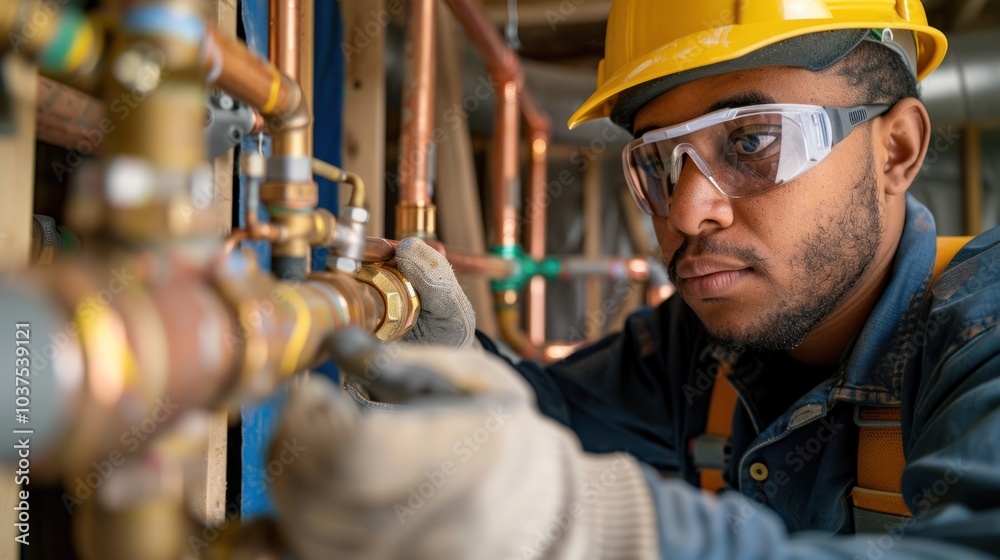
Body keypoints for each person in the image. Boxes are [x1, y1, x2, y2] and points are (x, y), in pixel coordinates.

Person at [269, 1, 1000, 558]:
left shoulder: (983, 329)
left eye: (752, 140)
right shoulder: (698, 351)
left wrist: (613, 529)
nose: (686, 210)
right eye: (658, 163)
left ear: (896, 150)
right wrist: (451, 363)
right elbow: (554, 416)